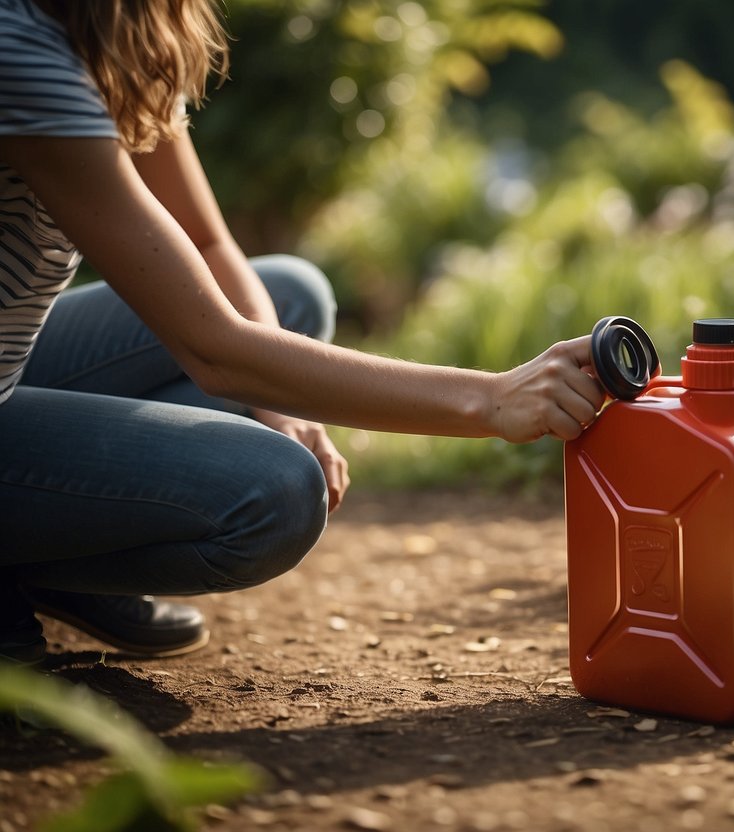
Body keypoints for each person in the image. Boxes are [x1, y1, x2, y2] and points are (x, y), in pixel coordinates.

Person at [0, 0, 605, 666]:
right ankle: (31, 556)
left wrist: (278, 400)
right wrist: (490, 400)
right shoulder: (19, 51)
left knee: (290, 296)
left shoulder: (111, 42)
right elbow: (214, 351)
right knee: (274, 490)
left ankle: (53, 556)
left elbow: (206, 241)